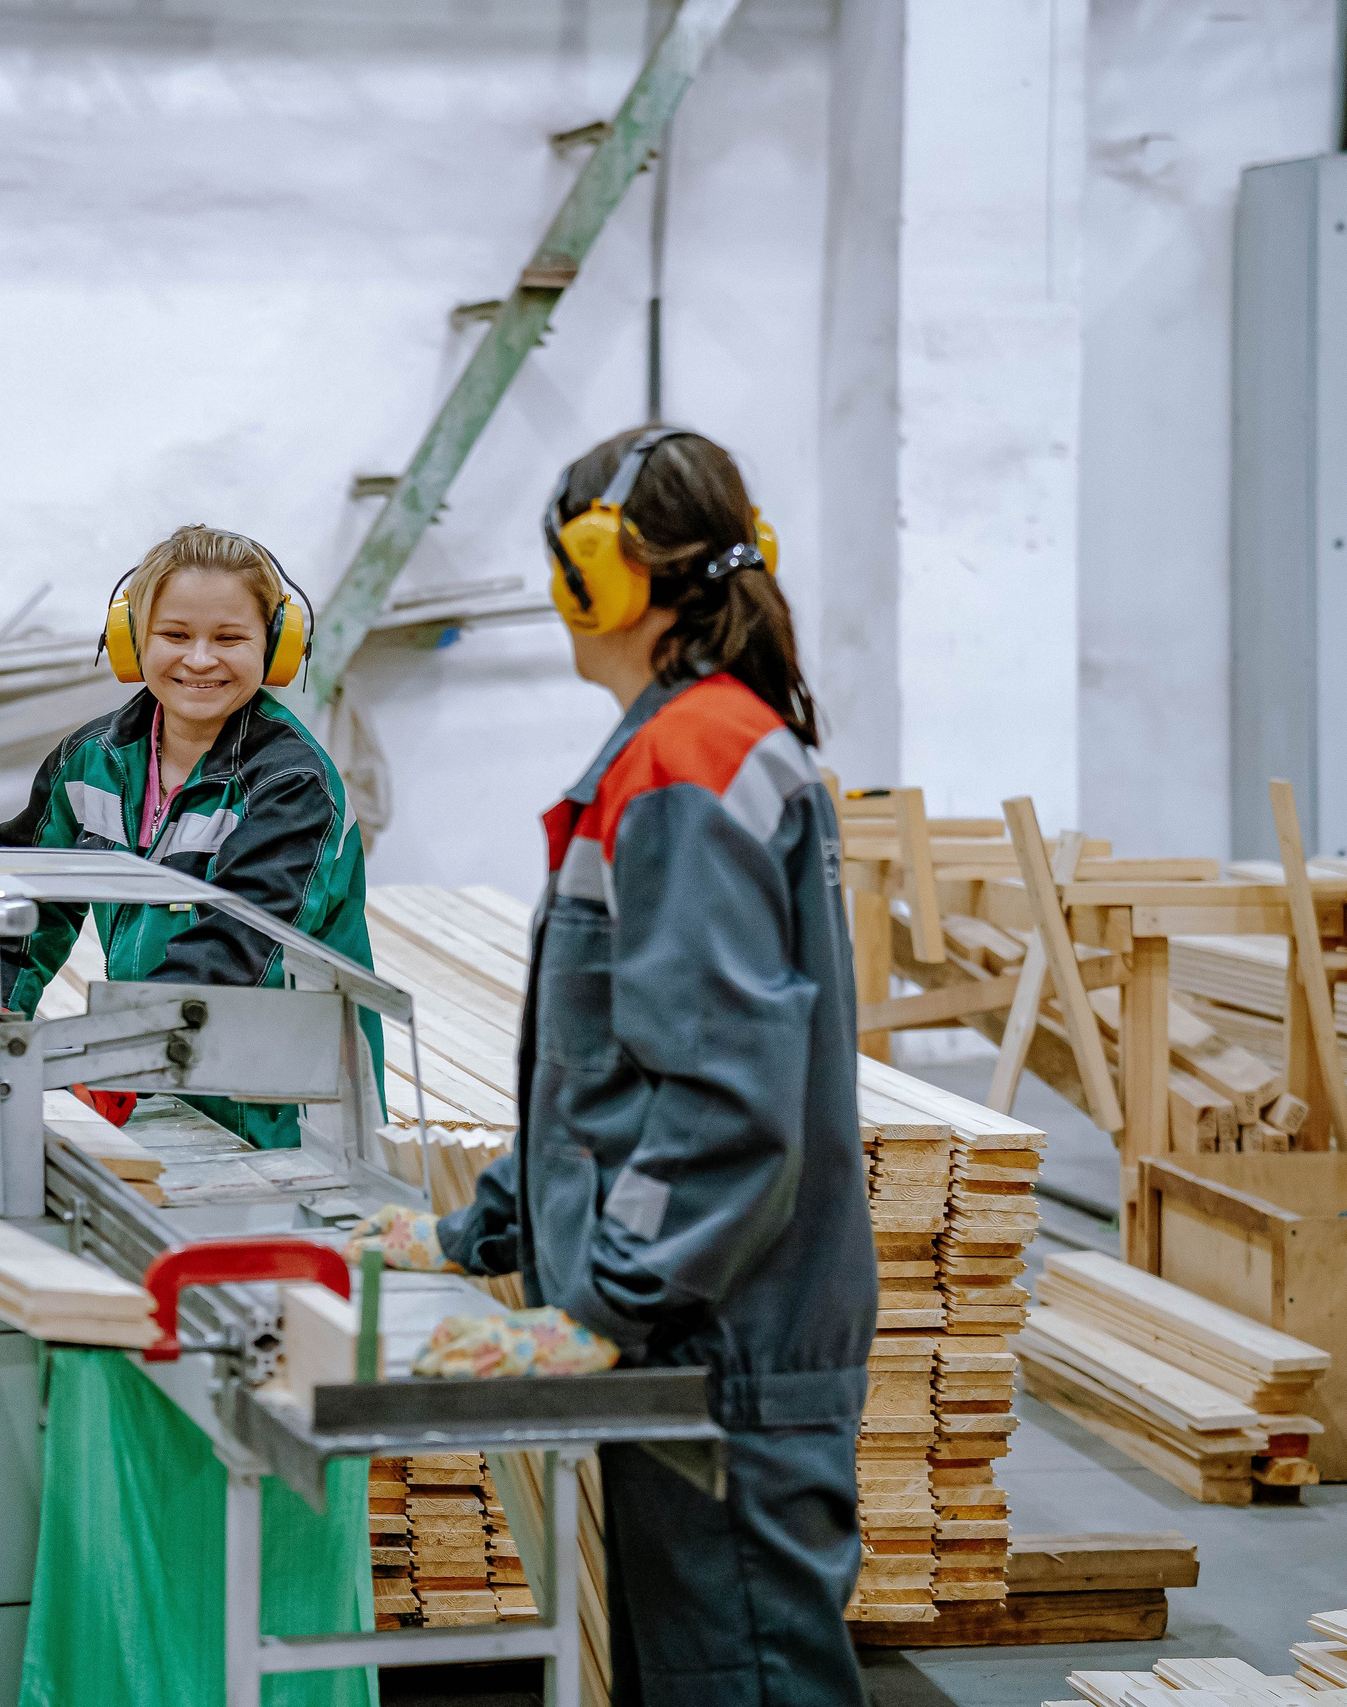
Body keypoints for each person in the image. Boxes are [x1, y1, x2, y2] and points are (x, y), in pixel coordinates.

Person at [349, 428, 878, 1706]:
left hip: (721, 1340)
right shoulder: (687, 747)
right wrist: (480, 1232)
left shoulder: (691, 762)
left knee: (741, 1679)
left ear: (606, 575)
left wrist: (603, 1308)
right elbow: (611, 1072)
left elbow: (717, 1106)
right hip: (701, 1325)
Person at [0, 523, 380, 1146]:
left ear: (275, 647)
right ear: (132, 641)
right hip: (158, 1082)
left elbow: (238, 946)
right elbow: (21, 910)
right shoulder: (90, 763)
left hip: (286, 1112)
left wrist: (109, 1059)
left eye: (229, 638)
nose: (200, 659)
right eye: (175, 635)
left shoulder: (291, 784)